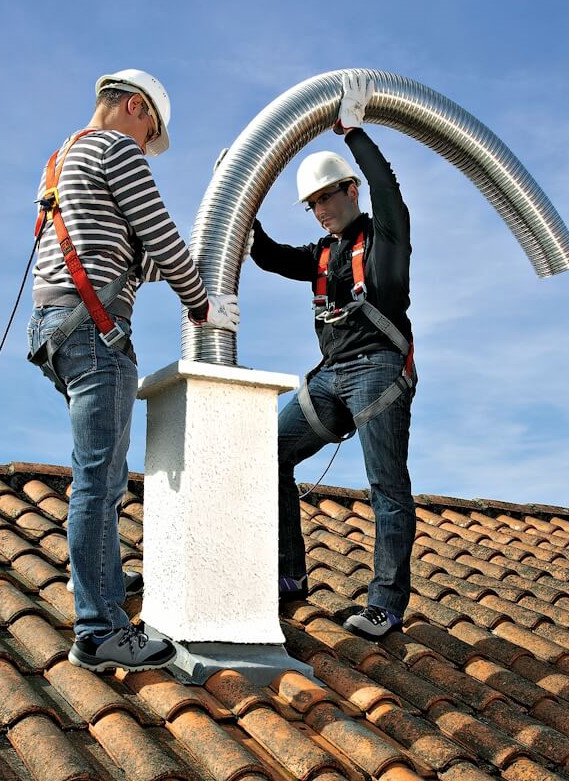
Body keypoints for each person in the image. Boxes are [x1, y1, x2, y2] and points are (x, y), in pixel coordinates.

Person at [28, 69, 239, 671]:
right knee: (100, 481)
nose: (149, 146)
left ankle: (100, 580)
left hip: (54, 329)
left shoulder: (61, 158)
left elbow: (133, 254)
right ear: (133, 106)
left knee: (98, 472)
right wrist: (202, 301)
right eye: (152, 131)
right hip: (94, 331)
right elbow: (162, 237)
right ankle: (98, 630)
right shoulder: (117, 149)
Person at [250, 73, 416, 640]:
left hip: (379, 374)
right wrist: (240, 197)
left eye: (326, 197)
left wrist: (354, 133)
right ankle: (289, 576)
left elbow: (387, 187)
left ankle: (386, 605)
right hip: (330, 380)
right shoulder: (322, 253)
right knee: (266, 453)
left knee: (385, 486)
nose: (320, 209)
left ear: (350, 191)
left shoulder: (386, 237)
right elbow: (268, 256)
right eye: (312, 203)